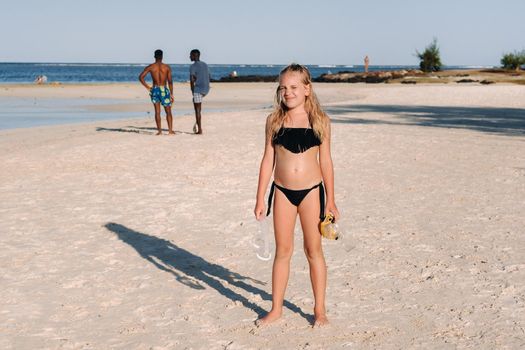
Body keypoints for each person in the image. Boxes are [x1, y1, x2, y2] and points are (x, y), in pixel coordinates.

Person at [254, 63, 340, 327]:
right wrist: (260, 198)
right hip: (281, 192)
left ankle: (320, 310)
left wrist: (332, 200)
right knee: (283, 251)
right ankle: (276, 308)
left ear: (306, 89)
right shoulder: (274, 121)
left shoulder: (320, 121)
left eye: (293, 87)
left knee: (313, 250)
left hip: (313, 193)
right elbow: (267, 159)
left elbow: (326, 161)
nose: (287, 93)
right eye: (283, 88)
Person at [139, 49, 174, 135]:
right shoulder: (167, 67)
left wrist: (148, 87)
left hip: (155, 89)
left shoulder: (151, 67)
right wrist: (171, 94)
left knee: (157, 112)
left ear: (154, 56)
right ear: (162, 57)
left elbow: (141, 77)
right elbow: (170, 82)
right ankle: (170, 131)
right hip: (164, 90)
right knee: (168, 111)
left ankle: (159, 131)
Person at [189, 49, 210, 134]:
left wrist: (192, 91)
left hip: (198, 89)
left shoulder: (193, 66)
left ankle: (200, 129)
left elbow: (191, 80)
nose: (190, 57)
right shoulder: (205, 64)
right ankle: (198, 120)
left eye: (191, 55)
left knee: (197, 110)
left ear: (194, 55)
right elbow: (208, 76)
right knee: (197, 104)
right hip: (206, 89)